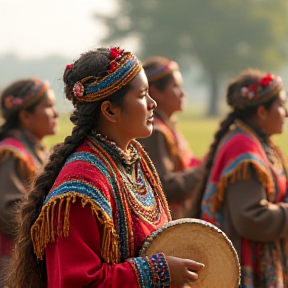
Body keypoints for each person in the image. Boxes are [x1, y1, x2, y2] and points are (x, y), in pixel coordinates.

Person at [5, 47, 204, 288]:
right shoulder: (81, 184)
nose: (152, 104)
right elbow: (76, 282)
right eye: (142, 95)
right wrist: (158, 271)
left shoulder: (131, 159)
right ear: (110, 110)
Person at [198, 69, 288, 287]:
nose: (285, 112)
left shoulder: (259, 142)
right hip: (244, 267)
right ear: (262, 112)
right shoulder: (243, 147)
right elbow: (251, 218)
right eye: (281, 105)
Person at [0, 78, 58, 285]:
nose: (56, 113)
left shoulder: (37, 150)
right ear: (25, 115)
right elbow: (8, 212)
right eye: (49, 106)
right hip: (9, 260)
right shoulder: (11, 152)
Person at [138, 57, 203, 219]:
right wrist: (203, 170)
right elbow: (165, 185)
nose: (183, 93)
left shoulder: (166, 127)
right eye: (175, 86)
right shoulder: (154, 131)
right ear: (155, 92)